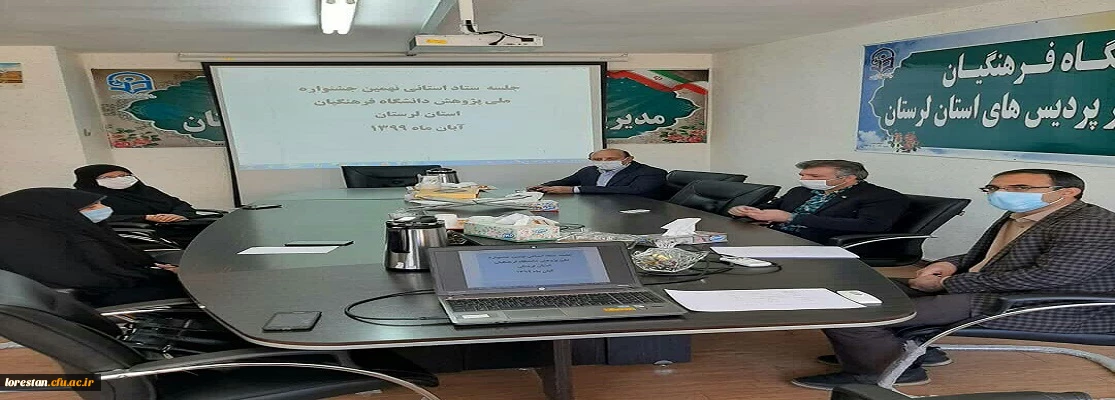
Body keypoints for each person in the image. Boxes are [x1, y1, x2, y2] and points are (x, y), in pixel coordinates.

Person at [791, 169, 1115, 390]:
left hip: (1036, 303)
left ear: (1068, 192)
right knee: (851, 292)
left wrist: (947, 284)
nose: (1002, 194)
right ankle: (889, 351)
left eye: (1020, 188)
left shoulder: (1091, 224)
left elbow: (1052, 277)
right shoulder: (1024, 214)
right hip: (991, 287)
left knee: (854, 313)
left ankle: (877, 372)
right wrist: (948, 264)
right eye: (994, 188)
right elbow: (990, 256)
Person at [0, 188, 188, 307]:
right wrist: (164, 275)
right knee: (193, 288)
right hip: (97, 296)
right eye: (91, 207)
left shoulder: (64, 229)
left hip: (113, 285)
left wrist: (157, 270)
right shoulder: (37, 244)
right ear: (56, 211)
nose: (102, 209)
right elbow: (92, 279)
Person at [728, 160, 909, 243]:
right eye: (803, 175)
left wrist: (791, 218)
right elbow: (774, 207)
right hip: (777, 236)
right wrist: (745, 210)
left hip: (820, 242)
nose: (804, 179)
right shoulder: (801, 191)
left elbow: (870, 226)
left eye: (814, 176)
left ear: (848, 178)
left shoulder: (881, 196)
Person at [74, 164, 217, 245]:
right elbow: (93, 218)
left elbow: (179, 204)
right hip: (143, 234)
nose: (119, 179)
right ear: (90, 181)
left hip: (178, 225)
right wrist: (146, 217)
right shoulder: (85, 198)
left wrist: (178, 215)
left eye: (123, 175)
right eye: (107, 177)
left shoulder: (147, 191)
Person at [528, 149, 667, 198]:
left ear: (628, 159)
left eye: (610, 159)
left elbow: (633, 190)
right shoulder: (589, 171)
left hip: (636, 212)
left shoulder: (651, 173)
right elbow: (566, 182)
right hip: (599, 208)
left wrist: (575, 190)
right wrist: (543, 186)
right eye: (598, 160)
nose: (603, 162)